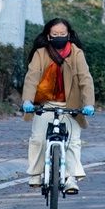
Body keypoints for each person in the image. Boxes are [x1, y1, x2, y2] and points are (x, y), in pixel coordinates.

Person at [22, 18, 96, 195]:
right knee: (38, 139)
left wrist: (88, 104)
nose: (59, 37)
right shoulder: (40, 53)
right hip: (45, 103)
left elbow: (86, 79)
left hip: (71, 104)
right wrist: (27, 101)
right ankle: (35, 174)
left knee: (73, 141)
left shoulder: (76, 53)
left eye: (62, 34)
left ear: (69, 35)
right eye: (55, 34)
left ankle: (71, 178)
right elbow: (32, 77)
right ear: (48, 36)